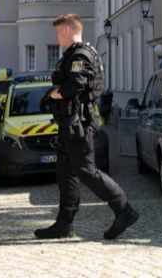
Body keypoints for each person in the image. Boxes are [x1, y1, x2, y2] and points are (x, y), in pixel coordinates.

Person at [34, 13, 139, 240]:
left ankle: (124, 210)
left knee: (87, 172)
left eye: (58, 31)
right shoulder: (73, 55)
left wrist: (53, 93)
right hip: (69, 124)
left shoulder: (80, 55)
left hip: (78, 125)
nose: (57, 36)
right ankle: (64, 224)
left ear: (68, 30)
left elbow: (75, 85)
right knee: (65, 173)